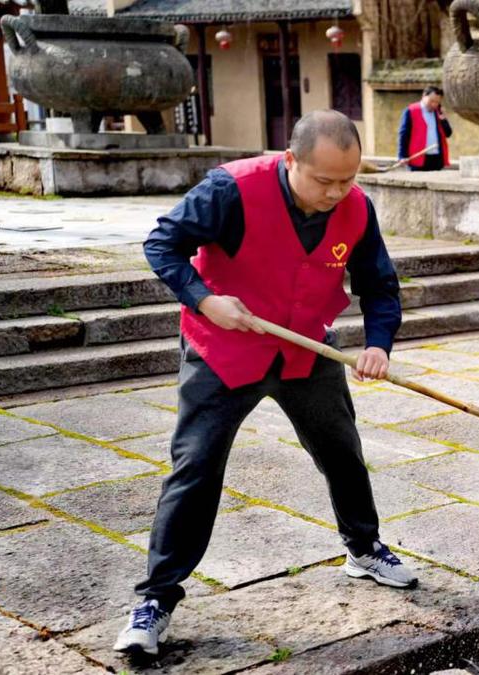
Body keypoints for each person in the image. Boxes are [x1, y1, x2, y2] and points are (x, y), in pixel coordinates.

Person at [115, 110, 416, 657]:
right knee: (197, 466)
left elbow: (379, 283)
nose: (336, 193)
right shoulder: (231, 190)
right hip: (226, 350)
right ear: (290, 161)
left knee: (342, 450)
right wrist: (206, 299)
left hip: (304, 345)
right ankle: (156, 598)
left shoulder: (355, 208)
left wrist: (378, 343)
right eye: (324, 180)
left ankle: (363, 547)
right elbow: (163, 244)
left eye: (348, 180)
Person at [397, 86, 452, 171]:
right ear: (424, 96)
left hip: (437, 159)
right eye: (431, 101)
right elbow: (403, 135)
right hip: (418, 158)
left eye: (437, 102)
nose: (434, 104)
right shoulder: (411, 111)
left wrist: (444, 120)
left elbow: (448, 133)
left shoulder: (439, 112)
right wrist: (402, 156)